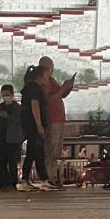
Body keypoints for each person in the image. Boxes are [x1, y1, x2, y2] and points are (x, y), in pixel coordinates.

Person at [18, 62, 54, 190]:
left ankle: (43, 179)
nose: (47, 78)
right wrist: (39, 125)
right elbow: (35, 105)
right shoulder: (34, 87)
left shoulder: (30, 87)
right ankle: (26, 180)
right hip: (33, 125)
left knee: (37, 152)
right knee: (33, 151)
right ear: (40, 76)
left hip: (30, 125)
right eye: (46, 76)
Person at [41, 57, 75, 188]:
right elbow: (48, 100)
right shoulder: (42, 82)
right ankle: (48, 178)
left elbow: (61, 95)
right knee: (51, 149)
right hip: (52, 120)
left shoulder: (51, 80)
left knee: (56, 151)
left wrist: (67, 88)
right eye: (51, 67)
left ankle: (52, 177)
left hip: (59, 120)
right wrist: (62, 90)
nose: (53, 70)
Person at [0, 85, 26, 189]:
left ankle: (13, 183)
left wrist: (8, 117)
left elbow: (20, 122)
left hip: (13, 139)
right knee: (2, 162)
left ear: (12, 94)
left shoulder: (18, 108)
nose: (5, 97)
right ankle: (4, 183)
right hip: (1, 139)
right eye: (3, 95)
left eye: (7, 95)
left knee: (12, 163)